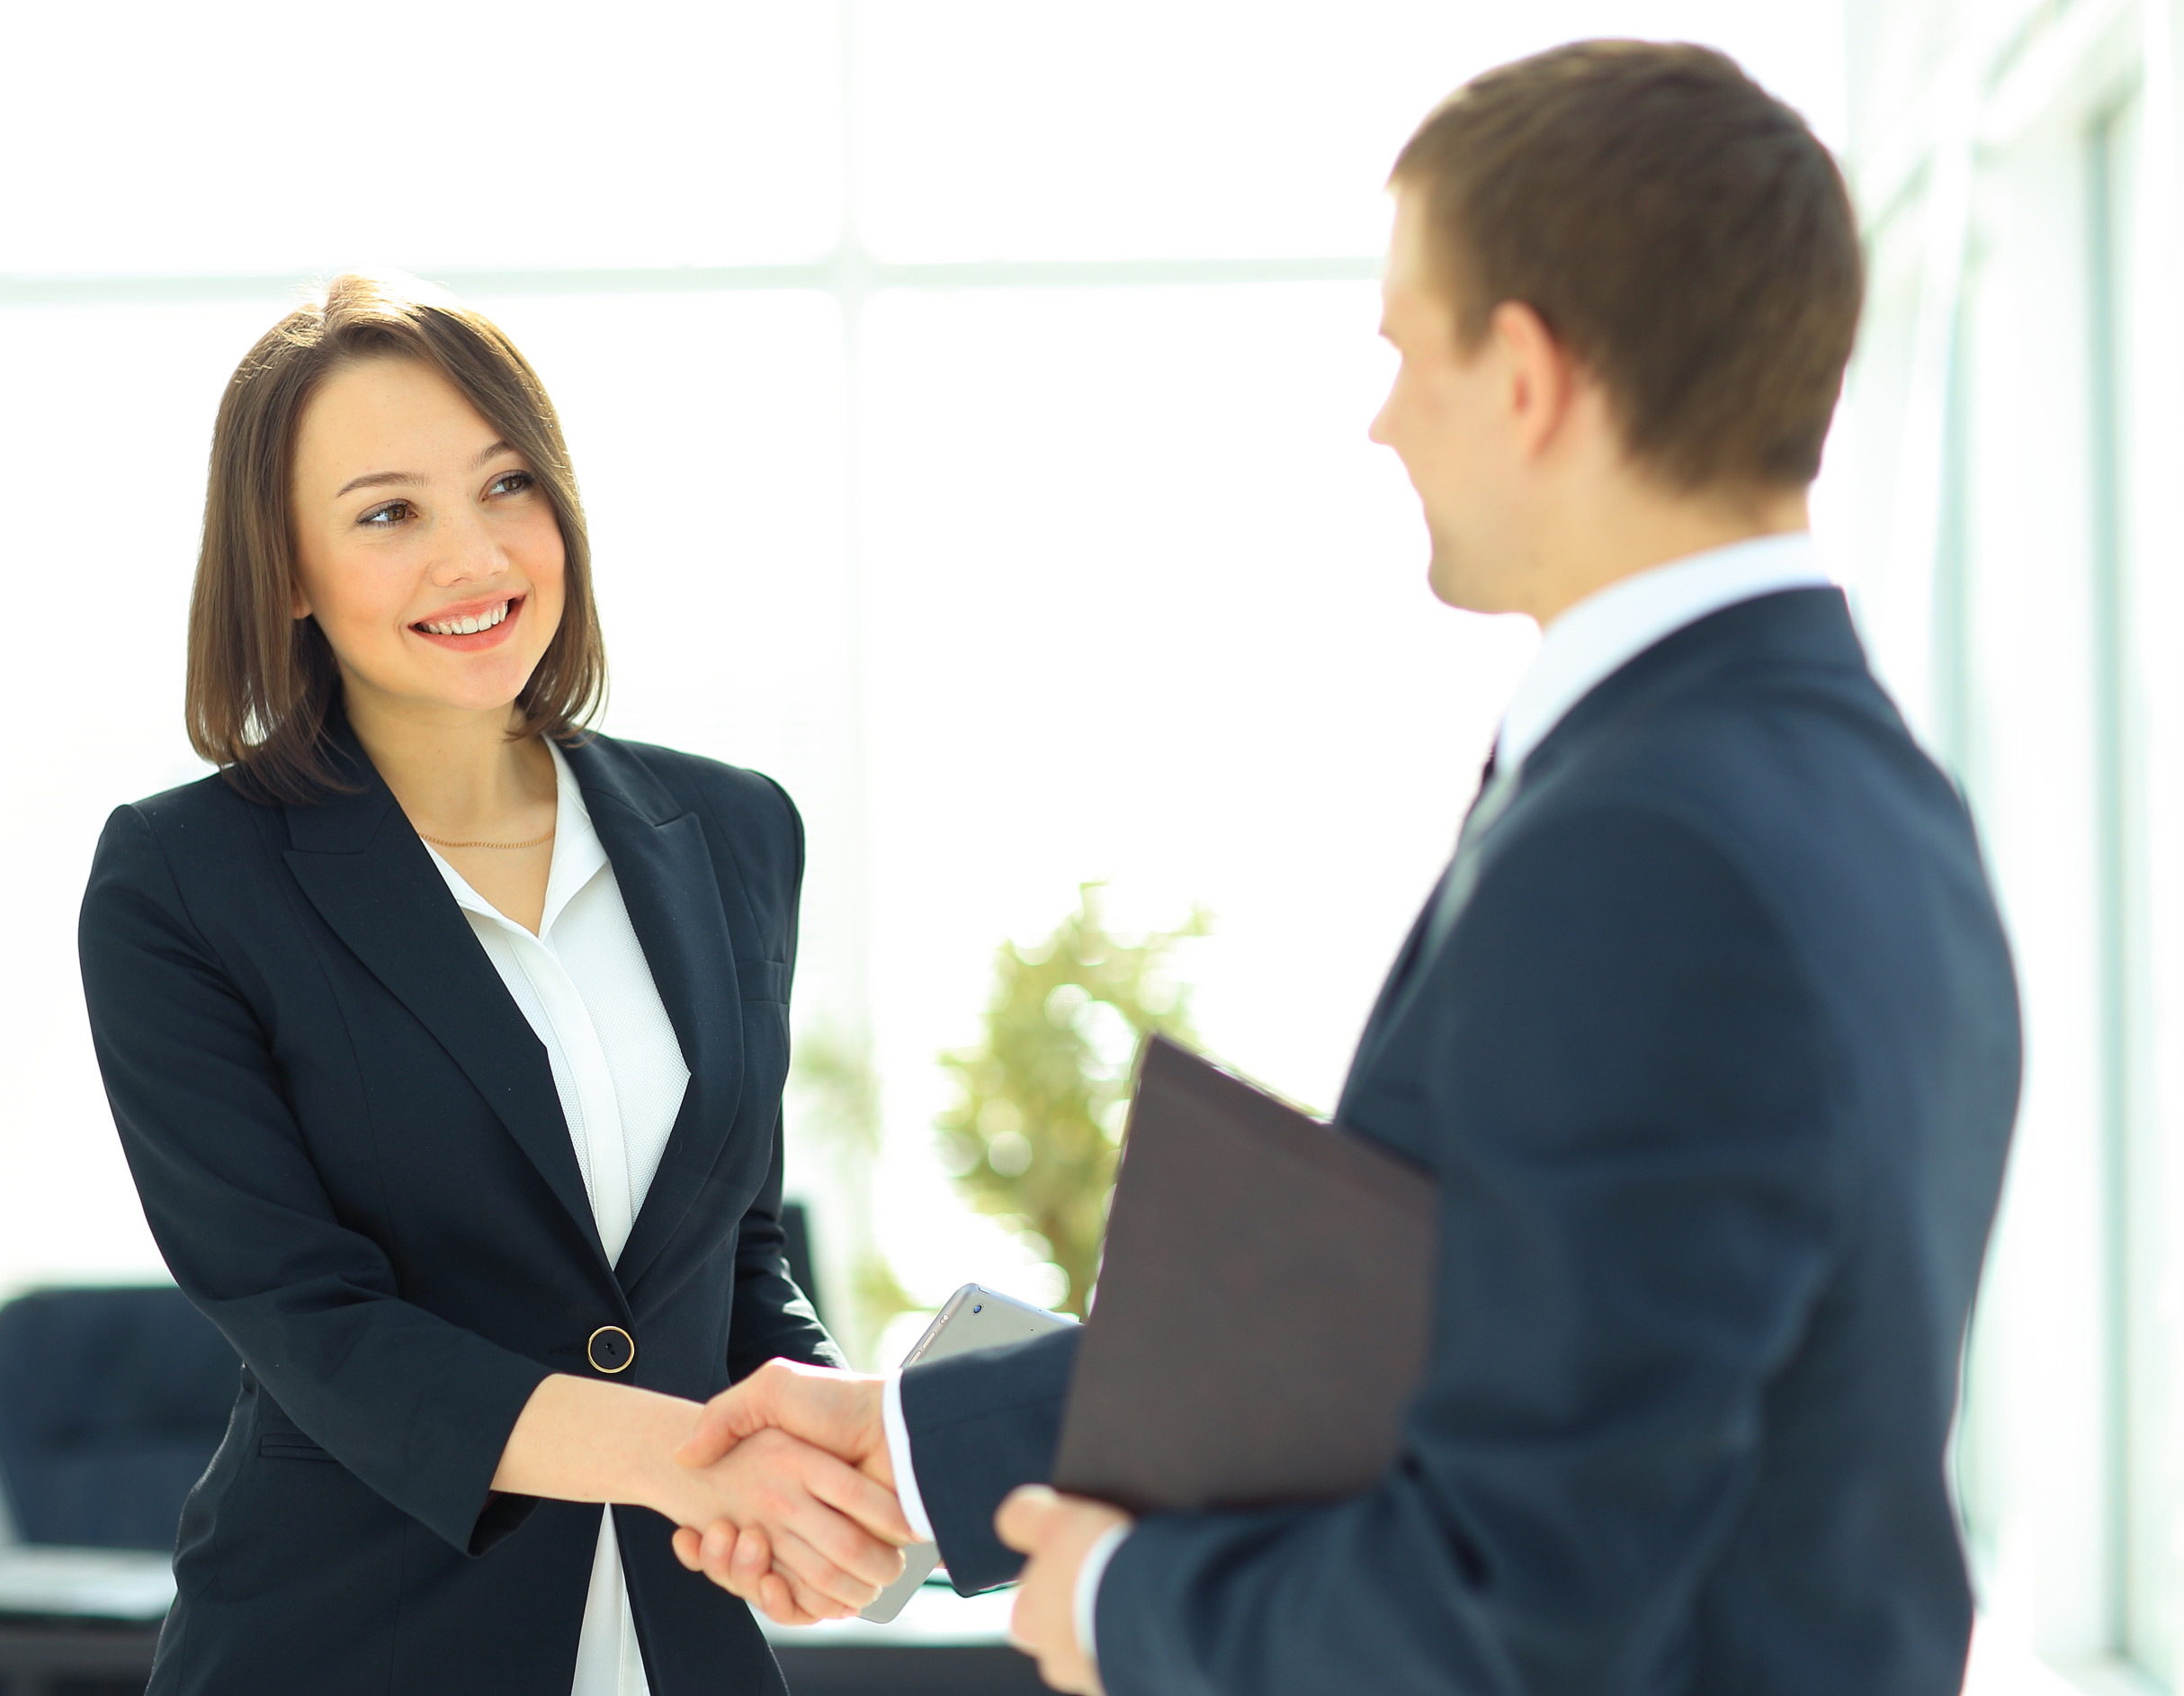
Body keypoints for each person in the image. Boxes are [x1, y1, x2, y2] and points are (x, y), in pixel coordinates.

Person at [673, 40, 2024, 1696]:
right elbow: (1474, 1328)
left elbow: (1527, 1600)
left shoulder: (1645, 850)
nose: (1382, 420)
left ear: (1524, 376)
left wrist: (1119, 1603)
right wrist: (915, 1437)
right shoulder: (1854, 788)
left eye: (1406, 349)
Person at [76, 274, 911, 1696]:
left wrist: (828, 1445)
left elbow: (733, 1244)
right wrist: (708, 1464)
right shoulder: (182, 878)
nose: (475, 555)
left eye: (506, 484)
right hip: (344, 1642)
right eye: (389, 512)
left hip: (677, 1644)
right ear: (285, 569)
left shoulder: (734, 831)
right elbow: (312, 1322)